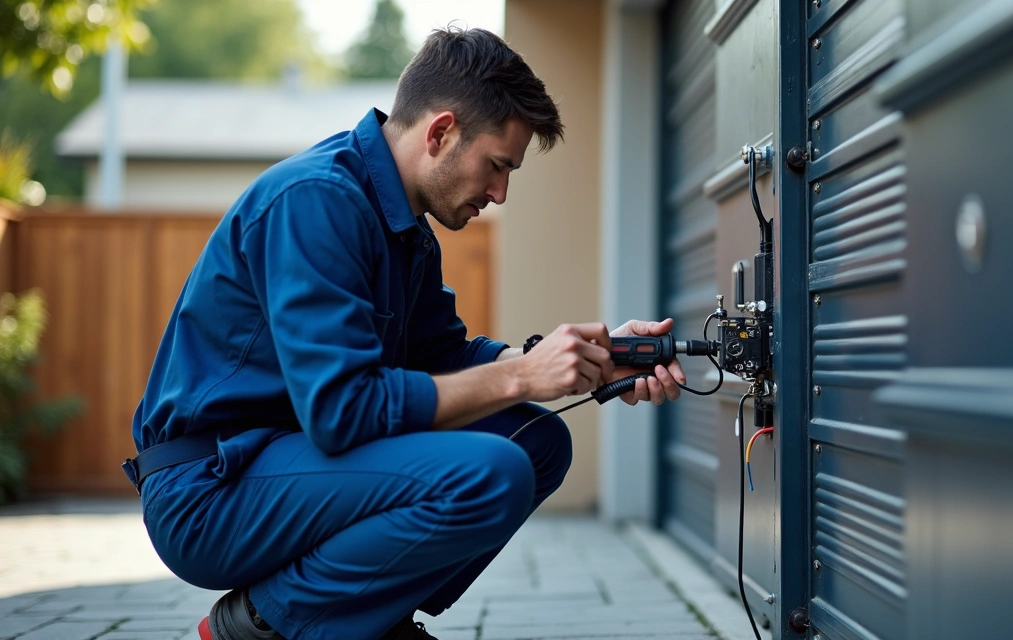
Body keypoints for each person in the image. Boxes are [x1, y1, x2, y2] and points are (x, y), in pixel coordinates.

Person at [124, 27, 687, 640]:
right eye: (497, 166)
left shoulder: (404, 227)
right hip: (211, 491)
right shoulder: (317, 200)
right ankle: (264, 625)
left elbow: (444, 357)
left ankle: (372, 617)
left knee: (536, 439)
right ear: (441, 132)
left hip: (288, 465)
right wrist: (523, 375)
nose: (500, 193)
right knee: (491, 471)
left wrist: (578, 360)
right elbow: (342, 412)